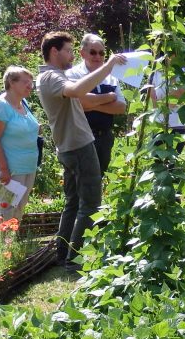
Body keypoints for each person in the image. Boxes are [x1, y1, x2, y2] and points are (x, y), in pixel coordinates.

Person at [36, 31, 126, 270]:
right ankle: (75, 261)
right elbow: (77, 91)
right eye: (68, 50)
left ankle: (63, 253)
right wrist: (108, 66)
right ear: (54, 51)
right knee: (91, 204)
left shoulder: (54, 76)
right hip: (78, 145)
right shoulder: (51, 78)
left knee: (74, 202)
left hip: (70, 145)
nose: (72, 55)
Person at [67, 33, 127, 174]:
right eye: (93, 52)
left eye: (101, 53)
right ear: (82, 53)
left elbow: (121, 107)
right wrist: (109, 97)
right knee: (80, 182)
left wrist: (91, 104)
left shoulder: (111, 77)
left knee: (98, 179)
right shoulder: (73, 74)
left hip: (104, 137)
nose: (98, 57)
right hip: (81, 138)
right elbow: (79, 103)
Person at [0, 66, 39, 223]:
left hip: (27, 166)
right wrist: (3, 170)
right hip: (9, 169)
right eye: (26, 82)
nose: (30, 86)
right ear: (11, 82)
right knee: (6, 207)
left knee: (19, 208)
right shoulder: (0, 105)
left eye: (31, 82)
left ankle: (11, 243)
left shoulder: (23, 103)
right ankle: (2, 245)